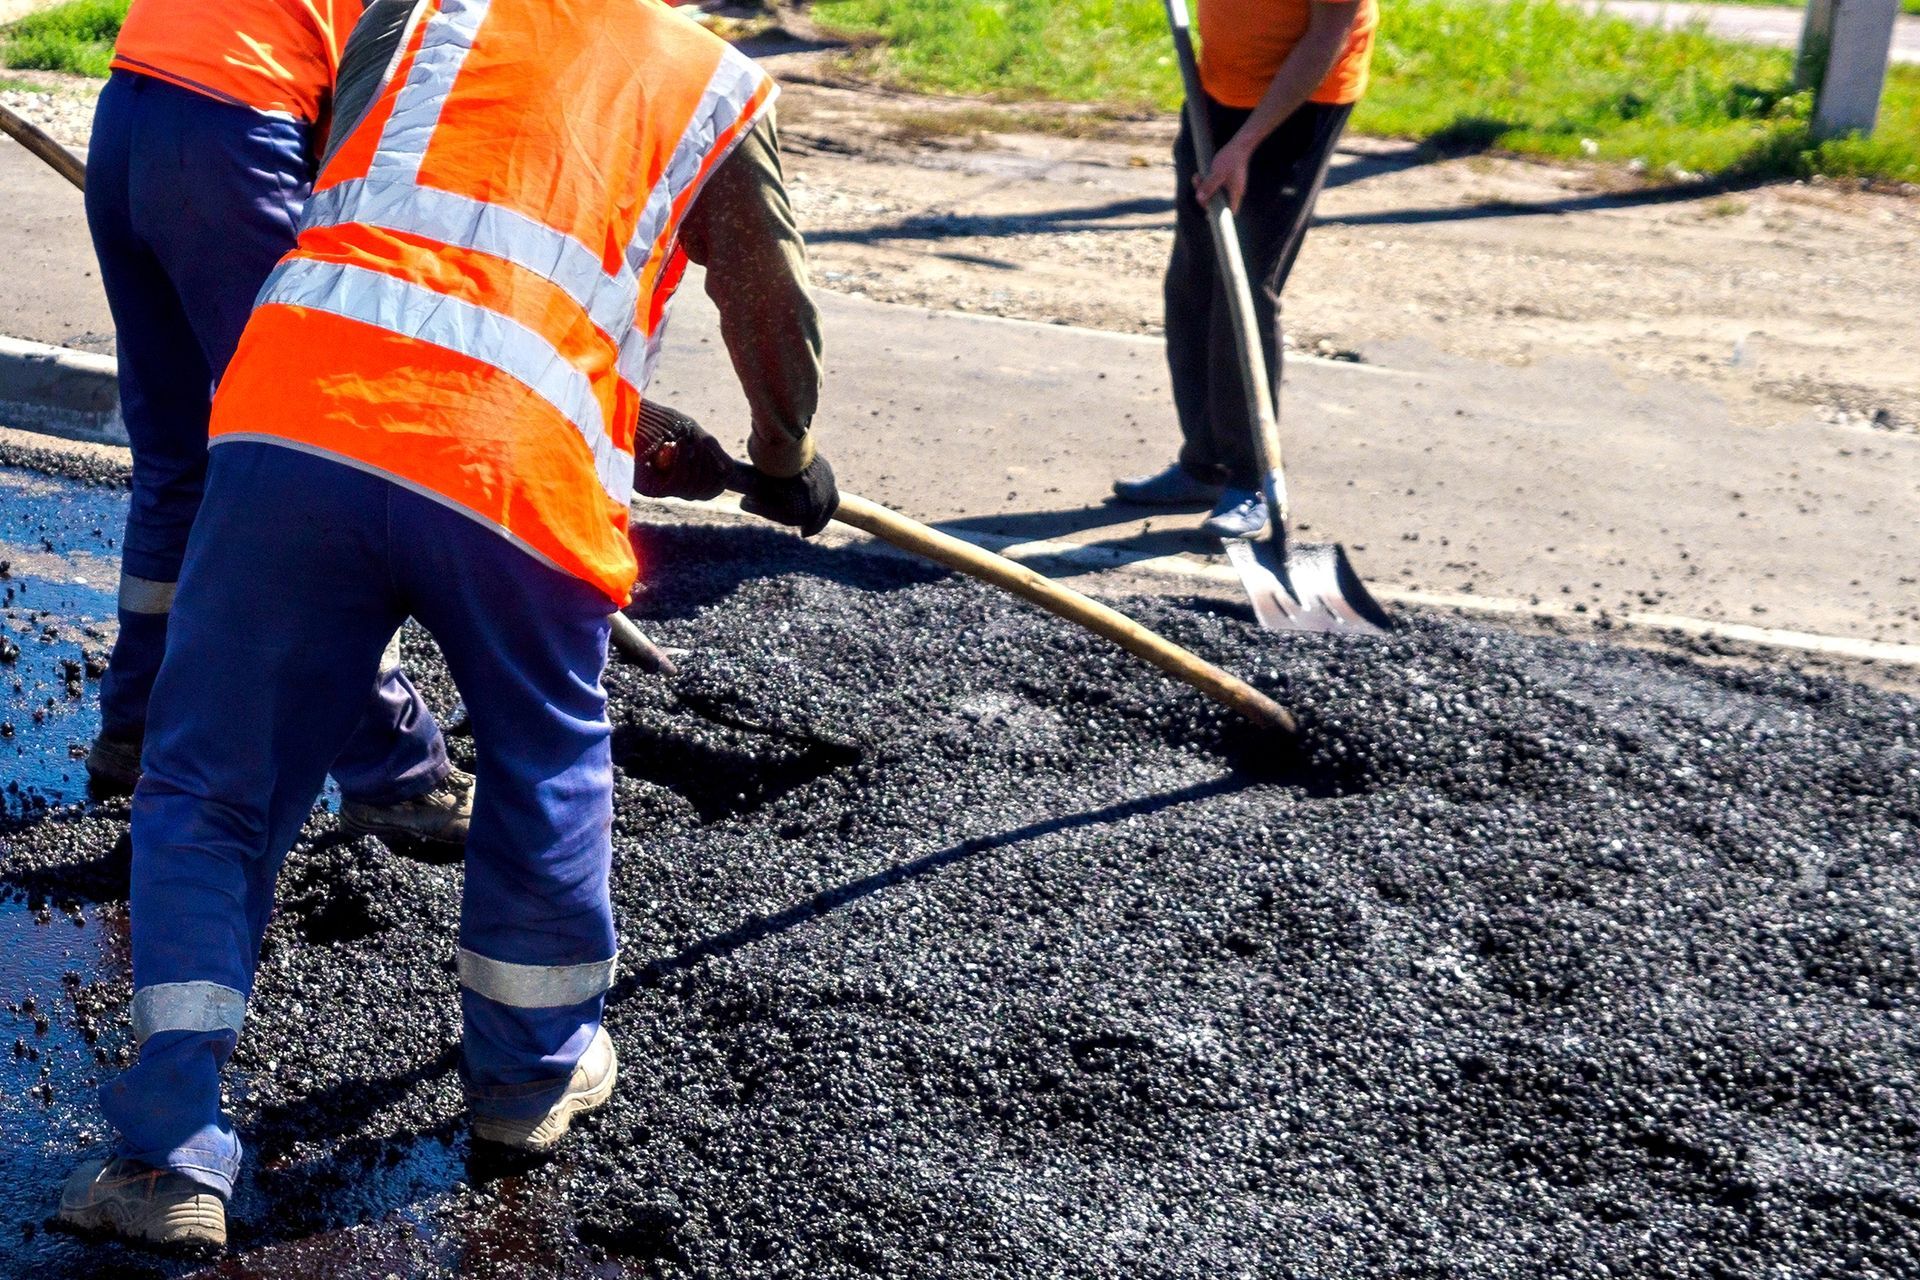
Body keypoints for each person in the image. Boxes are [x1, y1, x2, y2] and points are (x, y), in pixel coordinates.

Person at [57, 0, 832, 1250]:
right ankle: (527, 1075)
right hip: (508, 469)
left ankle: (164, 1159)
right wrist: (787, 451)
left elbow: (396, 230)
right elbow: (767, 306)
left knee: (208, 787)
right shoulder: (713, 81)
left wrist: (614, 398)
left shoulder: (424, 11)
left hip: (297, 412)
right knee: (542, 752)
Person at [82, 0, 471, 845]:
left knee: (178, 461)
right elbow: (370, 125)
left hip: (130, 113)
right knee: (320, 459)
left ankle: (137, 726)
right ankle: (393, 771)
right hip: (234, 131)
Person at [1113, 0, 1378, 540]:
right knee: (1194, 279)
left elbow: (1327, 35)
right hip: (1216, 87)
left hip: (1300, 100)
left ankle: (1253, 478)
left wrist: (1245, 145)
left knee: (1245, 282)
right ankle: (1205, 465)